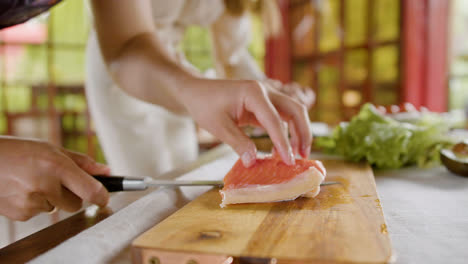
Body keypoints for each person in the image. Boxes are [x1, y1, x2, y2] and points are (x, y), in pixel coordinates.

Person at [0, 0, 312, 222]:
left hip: (163, 73)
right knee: (148, 200)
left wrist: (197, 89)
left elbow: (129, 41)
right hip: (121, 85)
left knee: (174, 190)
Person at [86, 0, 314, 177]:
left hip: (180, 74)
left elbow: (234, 55)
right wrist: (194, 89)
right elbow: (127, 43)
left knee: (183, 173)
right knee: (147, 183)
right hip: (126, 77)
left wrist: (268, 90)